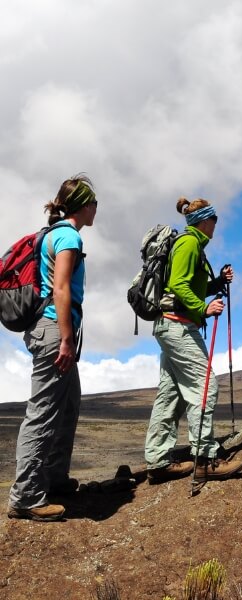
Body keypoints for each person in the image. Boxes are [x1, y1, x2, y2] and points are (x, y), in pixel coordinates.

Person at [8, 174, 98, 521]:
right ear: (84, 205)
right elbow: (60, 289)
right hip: (52, 331)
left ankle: (54, 479)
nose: (96, 210)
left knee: (68, 402)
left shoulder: (54, 233)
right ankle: (27, 496)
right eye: (95, 203)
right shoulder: (67, 236)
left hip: (49, 329)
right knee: (44, 412)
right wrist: (64, 338)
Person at [145, 197, 242, 485]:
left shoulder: (192, 245)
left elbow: (188, 285)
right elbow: (178, 285)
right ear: (205, 220)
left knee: (171, 395)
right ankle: (205, 459)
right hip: (179, 327)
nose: (216, 226)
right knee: (205, 386)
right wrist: (203, 309)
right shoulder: (189, 243)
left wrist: (216, 284)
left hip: (171, 326)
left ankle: (158, 461)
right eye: (215, 220)